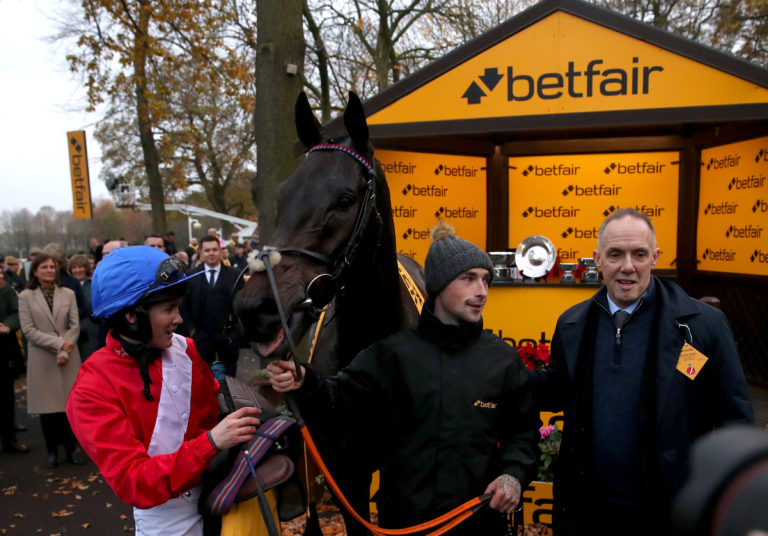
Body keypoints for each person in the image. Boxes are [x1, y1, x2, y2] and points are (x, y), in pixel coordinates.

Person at [268, 221, 539, 534]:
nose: (482, 292)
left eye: (486, 281)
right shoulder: (392, 355)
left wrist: (513, 475)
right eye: (469, 279)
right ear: (439, 285)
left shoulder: (502, 359)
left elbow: (523, 433)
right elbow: (338, 402)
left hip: (478, 522)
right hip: (407, 523)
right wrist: (305, 381)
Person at [530, 208, 755, 536]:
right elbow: (559, 389)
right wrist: (498, 372)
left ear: (655, 258)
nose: (628, 266)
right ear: (598, 260)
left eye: (639, 254)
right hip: (590, 512)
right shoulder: (572, 325)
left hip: (671, 512)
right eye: (615, 254)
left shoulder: (702, 326)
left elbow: (736, 419)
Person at [66, 246, 261, 536]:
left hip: (228, 493)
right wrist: (210, 443)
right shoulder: (91, 389)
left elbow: (213, 404)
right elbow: (134, 481)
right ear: (131, 316)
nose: (179, 319)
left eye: (178, 307)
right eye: (168, 309)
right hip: (168, 518)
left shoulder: (186, 349)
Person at [18, 253, 83, 468]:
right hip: (43, 358)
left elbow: (75, 326)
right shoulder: (26, 296)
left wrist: (66, 348)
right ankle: (52, 451)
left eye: (52, 267)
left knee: (68, 408)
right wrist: (58, 344)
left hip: (69, 355)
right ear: (35, 271)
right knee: (48, 411)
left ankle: (72, 449)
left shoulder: (69, 294)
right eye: (44, 267)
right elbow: (28, 330)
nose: (49, 270)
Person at [182, 236, 243, 376]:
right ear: (201, 253)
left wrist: (237, 332)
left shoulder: (235, 275)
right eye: (207, 250)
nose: (211, 253)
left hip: (228, 335)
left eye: (215, 249)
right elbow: (184, 307)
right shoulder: (191, 276)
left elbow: (241, 305)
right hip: (201, 335)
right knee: (202, 374)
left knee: (230, 374)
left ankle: (229, 397)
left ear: (220, 251)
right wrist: (191, 330)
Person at [0, 270, 28, 454]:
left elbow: (16, 312)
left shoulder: (6, 290)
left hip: (4, 350)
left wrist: (7, 325)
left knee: (5, 399)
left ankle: (9, 440)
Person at [68, 254, 99, 359]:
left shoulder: (94, 285)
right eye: (74, 267)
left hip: (91, 331)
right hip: (71, 331)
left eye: (81, 267)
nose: (77, 270)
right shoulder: (66, 286)